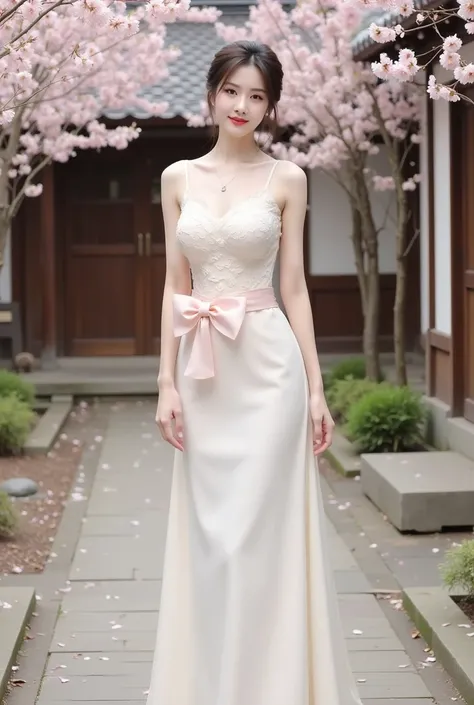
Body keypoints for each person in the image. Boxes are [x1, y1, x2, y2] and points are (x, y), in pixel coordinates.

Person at [150, 39, 363, 705]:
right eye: (232, 90)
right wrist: (164, 382)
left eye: (257, 95)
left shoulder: (287, 179)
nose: (242, 105)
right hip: (205, 371)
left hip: (270, 370)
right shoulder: (176, 177)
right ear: (211, 93)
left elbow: (294, 287)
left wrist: (317, 387)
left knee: (259, 537)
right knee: (214, 540)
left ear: (270, 106)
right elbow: (173, 283)